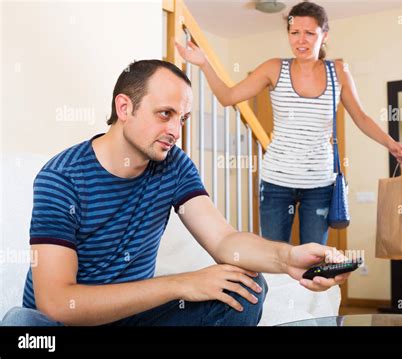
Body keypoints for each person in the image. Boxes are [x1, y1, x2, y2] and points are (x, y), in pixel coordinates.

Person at [1, 59, 349, 327]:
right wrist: (182, 284)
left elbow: (225, 240)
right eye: (165, 114)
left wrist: (288, 259)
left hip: (131, 319)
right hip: (64, 323)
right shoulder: (62, 177)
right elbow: (57, 302)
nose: (175, 130)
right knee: (21, 324)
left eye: (182, 118)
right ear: (125, 108)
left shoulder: (173, 164)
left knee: (245, 288)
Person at [175, 1, 402, 246]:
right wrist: (203, 62)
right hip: (276, 182)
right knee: (274, 257)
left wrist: (390, 143)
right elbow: (228, 97)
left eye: (310, 33)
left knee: (313, 257)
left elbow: (361, 117)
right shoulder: (275, 68)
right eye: (294, 32)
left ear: (324, 35)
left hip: (320, 184)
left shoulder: (338, 72)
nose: (301, 40)